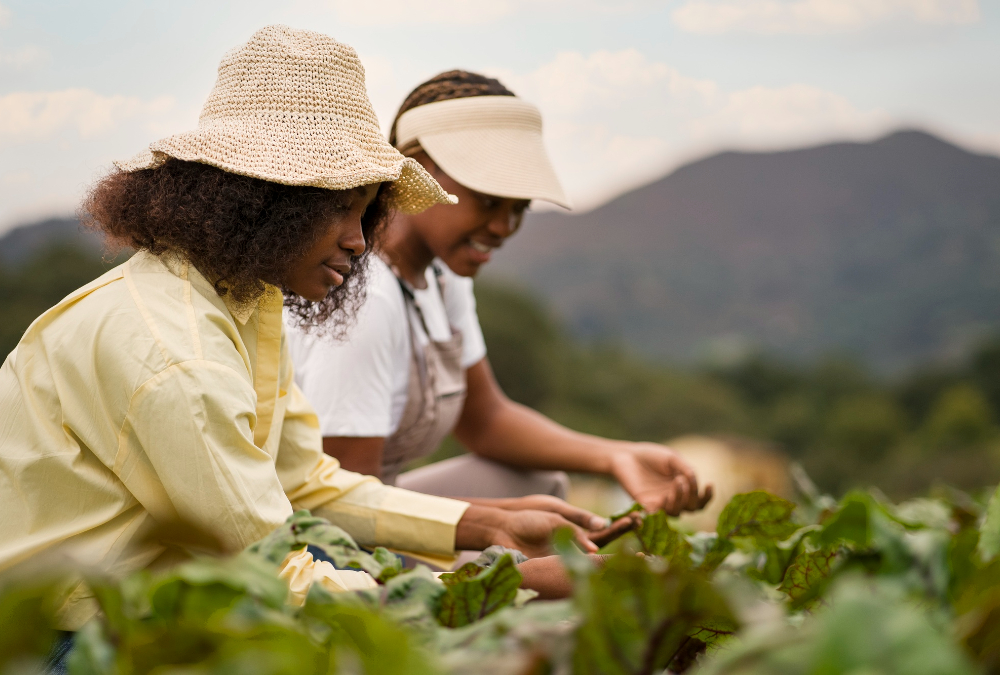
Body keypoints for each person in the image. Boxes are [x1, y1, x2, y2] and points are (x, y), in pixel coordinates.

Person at [0, 27, 601, 630]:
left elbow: (305, 481)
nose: (359, 239)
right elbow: (275, 580)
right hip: (64, 637)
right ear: (262, 200)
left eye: (365, 208)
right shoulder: (176, 355)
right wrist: (503, 584)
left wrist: (487, 525)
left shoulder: (243, 303)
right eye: (337, 207)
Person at [288, 71, 713, 516]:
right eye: (489, 201)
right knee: (529, 531)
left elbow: (485, 420)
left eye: (519, 209)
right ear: (420, 167)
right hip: (321, 537)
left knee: (538, 483)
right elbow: (344, 507)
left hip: (372, 507)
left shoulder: (441, 278)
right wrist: (499, 522)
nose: (504, 228)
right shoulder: (367, 300)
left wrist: (617, 457)